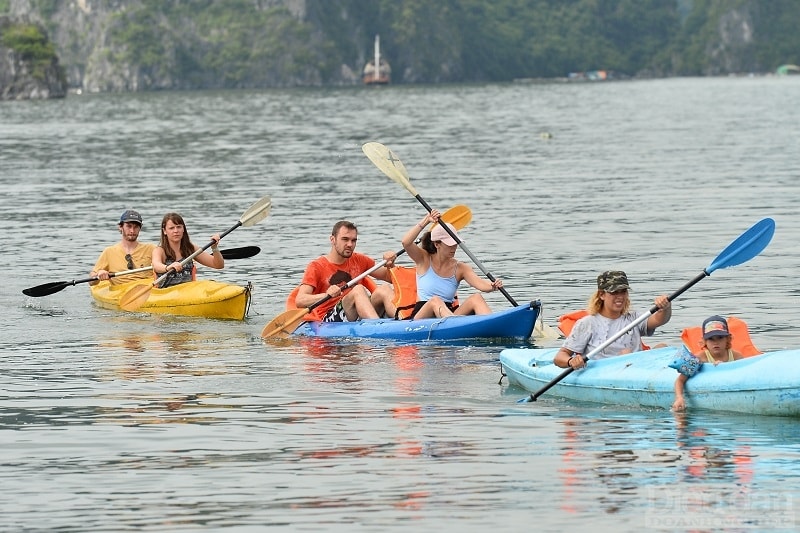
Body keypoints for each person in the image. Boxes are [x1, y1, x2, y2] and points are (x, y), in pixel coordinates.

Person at [372, 209, 502, 320]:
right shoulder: (424, 259)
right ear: (437, 244)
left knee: (476, 298)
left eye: (455, 243)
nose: (454, 247)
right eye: (450, 244)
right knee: (435, 300)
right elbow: (406, 242)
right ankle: (455, 325)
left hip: (448, 313)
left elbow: (481, 285)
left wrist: (492, 285)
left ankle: (495, 327)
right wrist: (426, 220)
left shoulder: (461, 268)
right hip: (422, 315)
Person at [554, 270, 672, 369]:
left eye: (623, 292)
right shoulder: (587, 323)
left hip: (639, 367)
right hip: (608, 372)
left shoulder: (633, 318)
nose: (620, 296)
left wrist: (665, 307)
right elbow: (560, 356)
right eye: (614, 292)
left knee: (662, 347)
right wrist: (571, 361)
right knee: (626, 354)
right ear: (602, 295)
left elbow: (659, 320)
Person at [295, 220, 396, 322]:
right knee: (358, 290)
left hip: (359, 310)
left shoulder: (360, 260)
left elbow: (390, 278)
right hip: (329, 318)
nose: (350, 244)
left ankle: (405, 321)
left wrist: (390, 264)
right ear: (333, 239)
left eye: (353, 240)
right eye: (345, 239)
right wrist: (326, 295)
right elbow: (300, 300)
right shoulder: (316, 266)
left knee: (384, 289)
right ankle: (376, 326)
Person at [672, 315, 744, 411]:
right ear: (704, 341)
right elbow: (680, 380)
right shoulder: (699, 358)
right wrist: (679, 398)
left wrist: (725, 367)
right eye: (711, 339)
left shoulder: (737, 357)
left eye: (720, 338)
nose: (716, 343)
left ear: (728, 339)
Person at [151, 212, 224, 288]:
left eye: (179, 227)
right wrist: (167, 267)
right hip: (167, 293)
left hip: (188, 292)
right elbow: (156, 265)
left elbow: (218, 265)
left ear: (183, 229)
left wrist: (214, 248)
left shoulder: (191, 249)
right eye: (171, 228)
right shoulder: (160, 250)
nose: (176, 231)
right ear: (165, 231)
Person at [90, 209, 155, 286]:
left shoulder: (151, 249)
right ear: (120, 227)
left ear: (140, 228)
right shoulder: (109, 252)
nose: (132, 231)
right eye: (129, 226)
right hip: (121, 291)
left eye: (136, 227)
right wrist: (99, 274)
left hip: (148, 290)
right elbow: (91, 282)